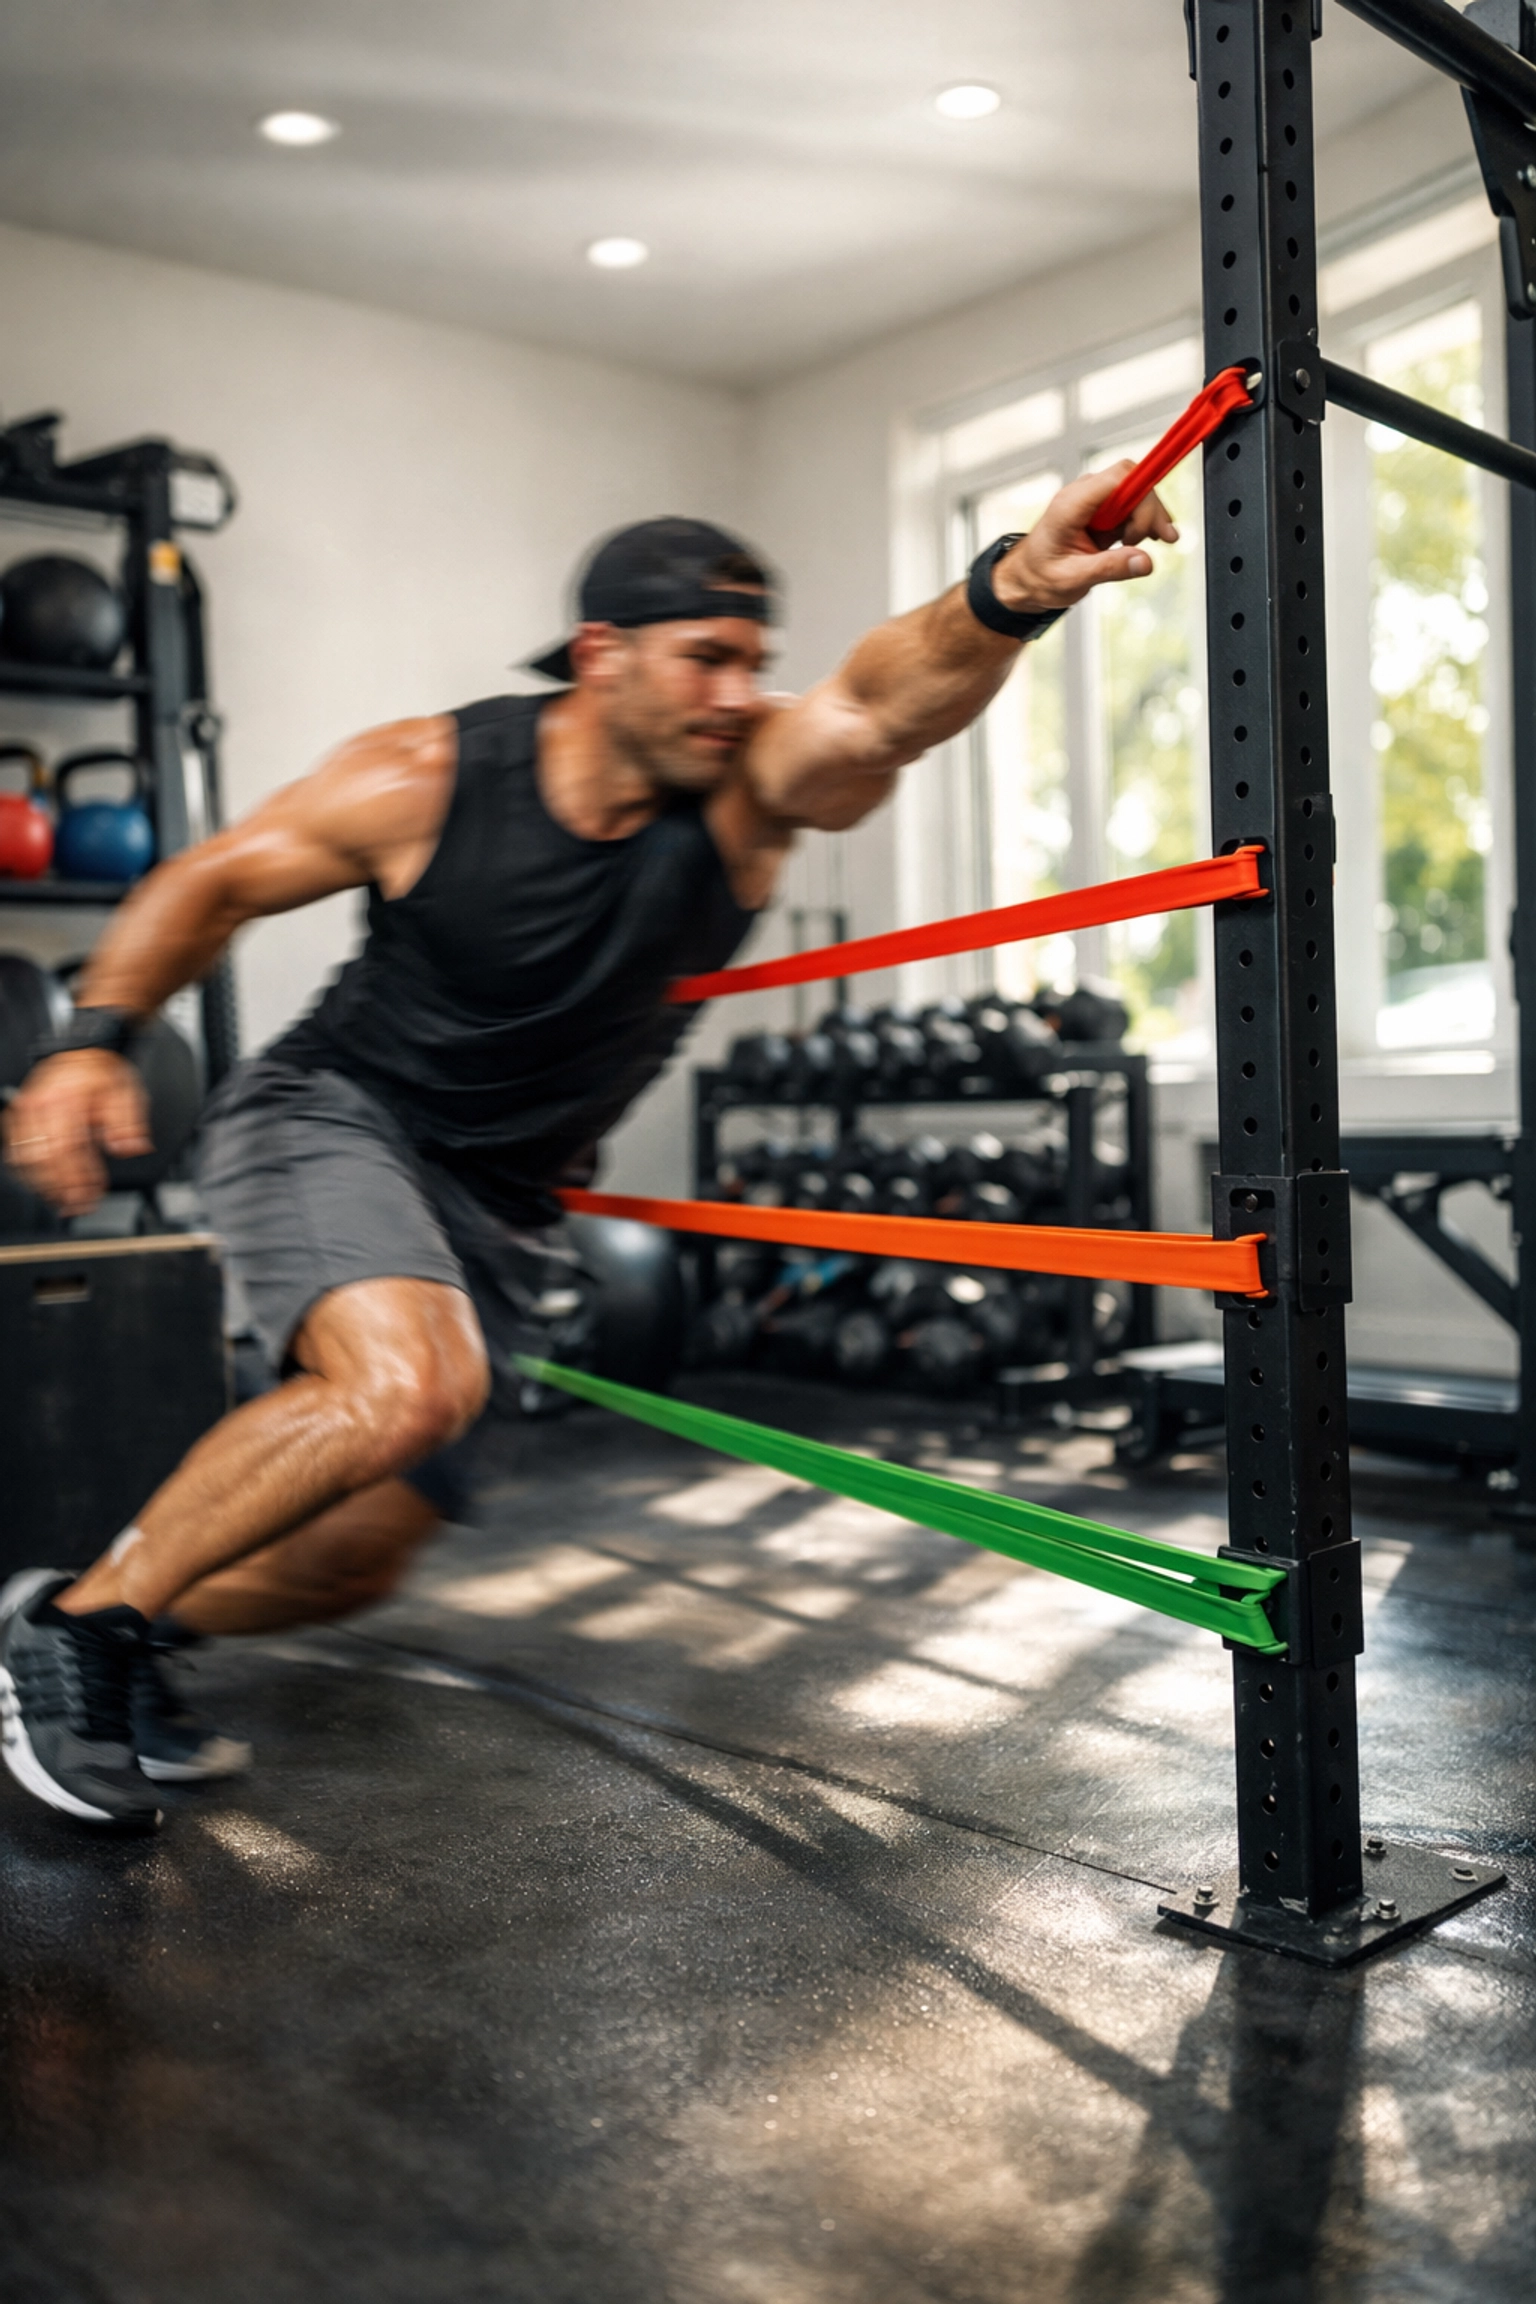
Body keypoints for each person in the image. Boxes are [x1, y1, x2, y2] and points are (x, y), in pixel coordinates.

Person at [0, 476, 1173, 1830]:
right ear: (605, 655)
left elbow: (876, 705)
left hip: (498, 1200)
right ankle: (72, 1650)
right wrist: (89, 1040)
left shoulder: (745, 796)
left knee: (352, 1557)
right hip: (333, 1114)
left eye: (754, 663)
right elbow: (212, 882)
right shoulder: (425, 777)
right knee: (409, 1389)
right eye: (707, 659)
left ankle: (100, 1607)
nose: (739, 693)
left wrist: (1012, 587)